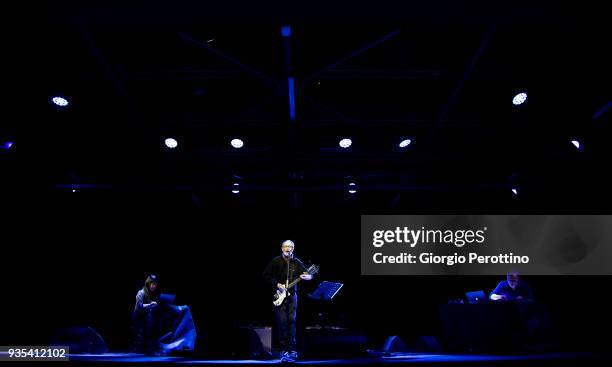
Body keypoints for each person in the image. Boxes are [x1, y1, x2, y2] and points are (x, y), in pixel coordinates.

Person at [263, 240, 313, 360]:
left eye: (290, 246)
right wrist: (277, 284)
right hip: (279, 294)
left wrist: (309, 276)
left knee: (292, 322)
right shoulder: (276, 261)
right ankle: (283, 350)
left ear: (293, 248)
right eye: (285, 246)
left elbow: (308, 274)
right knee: (282, 323)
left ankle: (292, 349)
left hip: (292, 296)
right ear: (281, 248)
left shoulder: (296, 262)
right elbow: (266, 274)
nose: (287, 248)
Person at [132, 275, 197, 355]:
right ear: (148, 284)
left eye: (155, 284)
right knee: (150, 322)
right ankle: (149, 348)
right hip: (140, 316)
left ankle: (157, 346)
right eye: (152, 284)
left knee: (160, 318)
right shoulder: (141, 292)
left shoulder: (153, 293)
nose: (153, 286)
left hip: (149, 315)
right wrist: (150, 305)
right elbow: (139, 306)